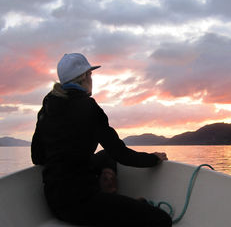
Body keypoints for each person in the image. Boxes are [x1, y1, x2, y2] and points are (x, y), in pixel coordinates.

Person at [31, 53, 172, 227]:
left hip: (54, 199)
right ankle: (117, 208)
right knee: (162, 220)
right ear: (84, 77)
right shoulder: (88, 107)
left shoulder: (46, 108)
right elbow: (121, 154)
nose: (92, 79)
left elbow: (37, 157)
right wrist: (153, 159)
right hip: (80, 202)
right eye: (91, 75)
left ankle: (111, 200)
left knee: (106, 156)